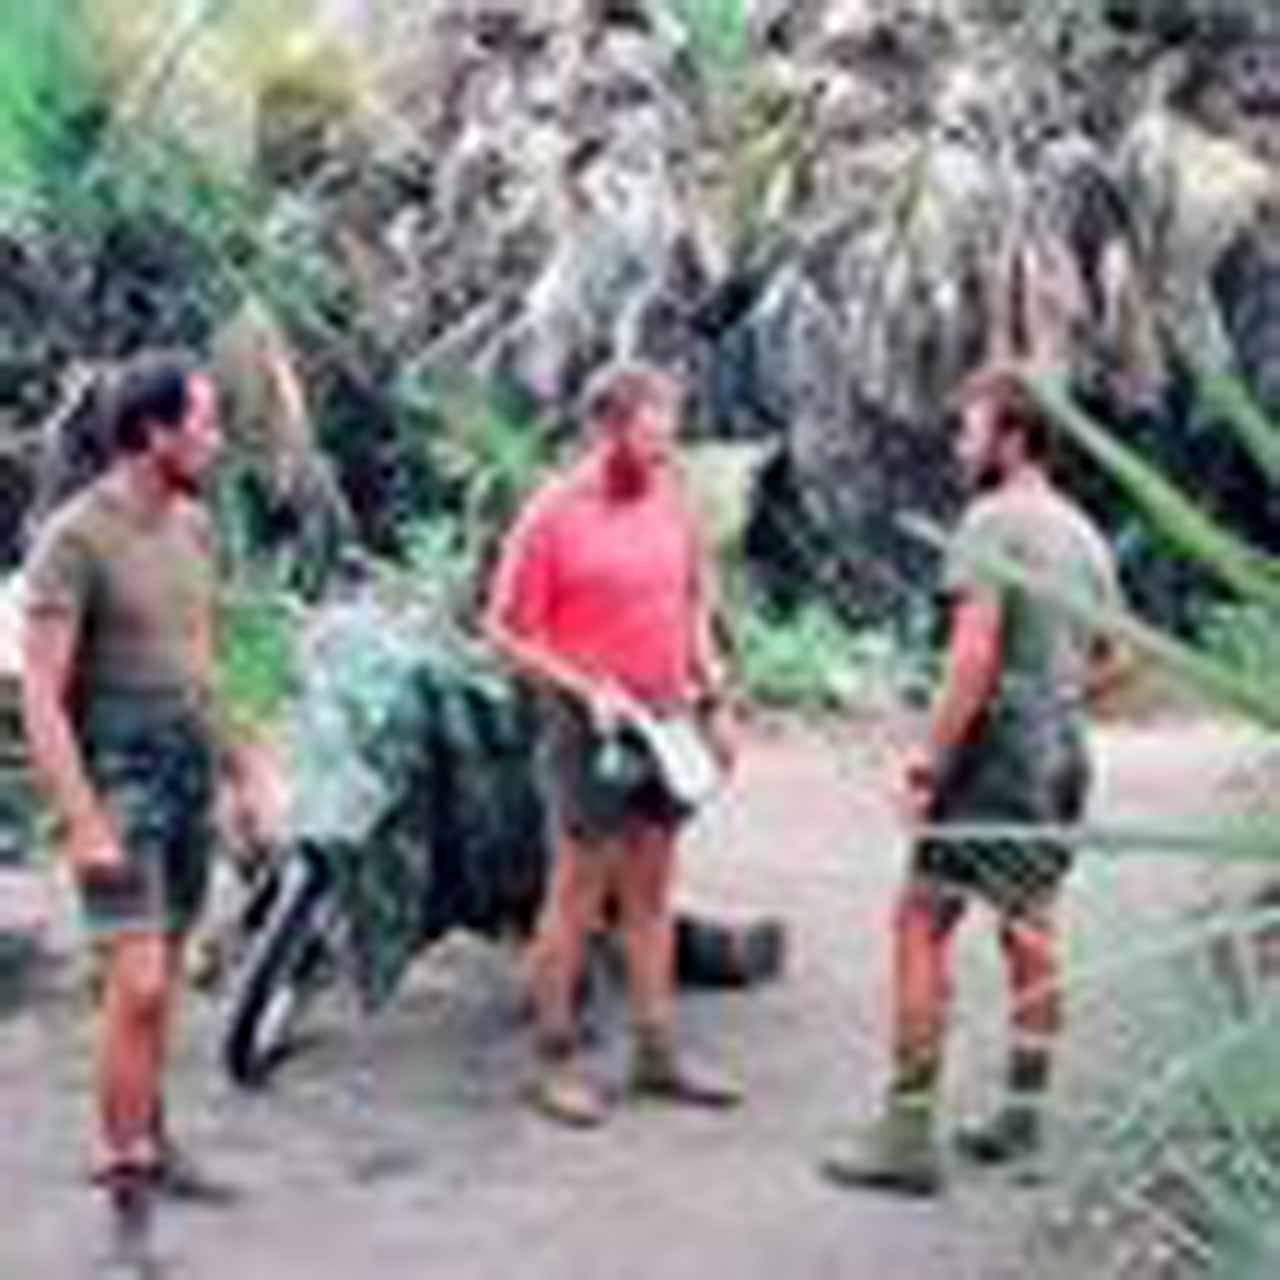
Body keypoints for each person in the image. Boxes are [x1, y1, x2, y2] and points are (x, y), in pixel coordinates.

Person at [821, 364, 1126, 1195]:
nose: (960, 445)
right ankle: (1021, 1117)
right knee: (1031, 926)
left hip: (995, 756)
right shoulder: (1083, 534)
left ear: (1013, 439)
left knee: (920, 920)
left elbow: (973, 655)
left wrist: (929, 760)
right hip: (1060, 751)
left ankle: (907, 1133)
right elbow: (1117, 658)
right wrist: (1057, 702)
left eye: (970, 429)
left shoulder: (991, 522)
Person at [21, 352, 238, 1272]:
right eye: (204, 423)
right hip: (119, 785)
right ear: (154, 433)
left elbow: (203, 664)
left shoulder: (193, 527)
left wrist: (244, 768)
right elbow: (39, 692)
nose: (217, 440)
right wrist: (84, 821)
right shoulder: (76, 538)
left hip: (186, 777)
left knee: (168, 972)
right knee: (136, 984)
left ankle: (152, 1135)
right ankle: (126, 1191)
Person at [485, 361, 742, 1127]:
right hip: (589, 727)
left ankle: (656, 1051)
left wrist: (714, 691)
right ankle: (552, 1059)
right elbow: (505, 631)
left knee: (652, 889)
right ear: (606, 429)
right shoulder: (553, 514)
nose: (665, 447)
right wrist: (582, 686)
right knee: (577, 893)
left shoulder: (673, 500)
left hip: (666, 718)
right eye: (650, 431)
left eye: (670, 430)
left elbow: (695, 601)